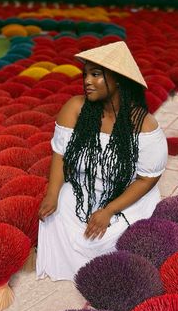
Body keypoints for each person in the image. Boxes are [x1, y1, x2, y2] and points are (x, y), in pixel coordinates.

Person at [36, 40, 168, 281]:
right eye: (86, 74)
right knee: (60, 208)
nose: (87, 81)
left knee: (117, 233)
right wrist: (52, 194)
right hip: (84, 186)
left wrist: (109, 210)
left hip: (125, 195)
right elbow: (60, 155)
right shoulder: (75, 108)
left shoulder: (143, 124)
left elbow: (146, 179)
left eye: (96, 74)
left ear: (117, 79)